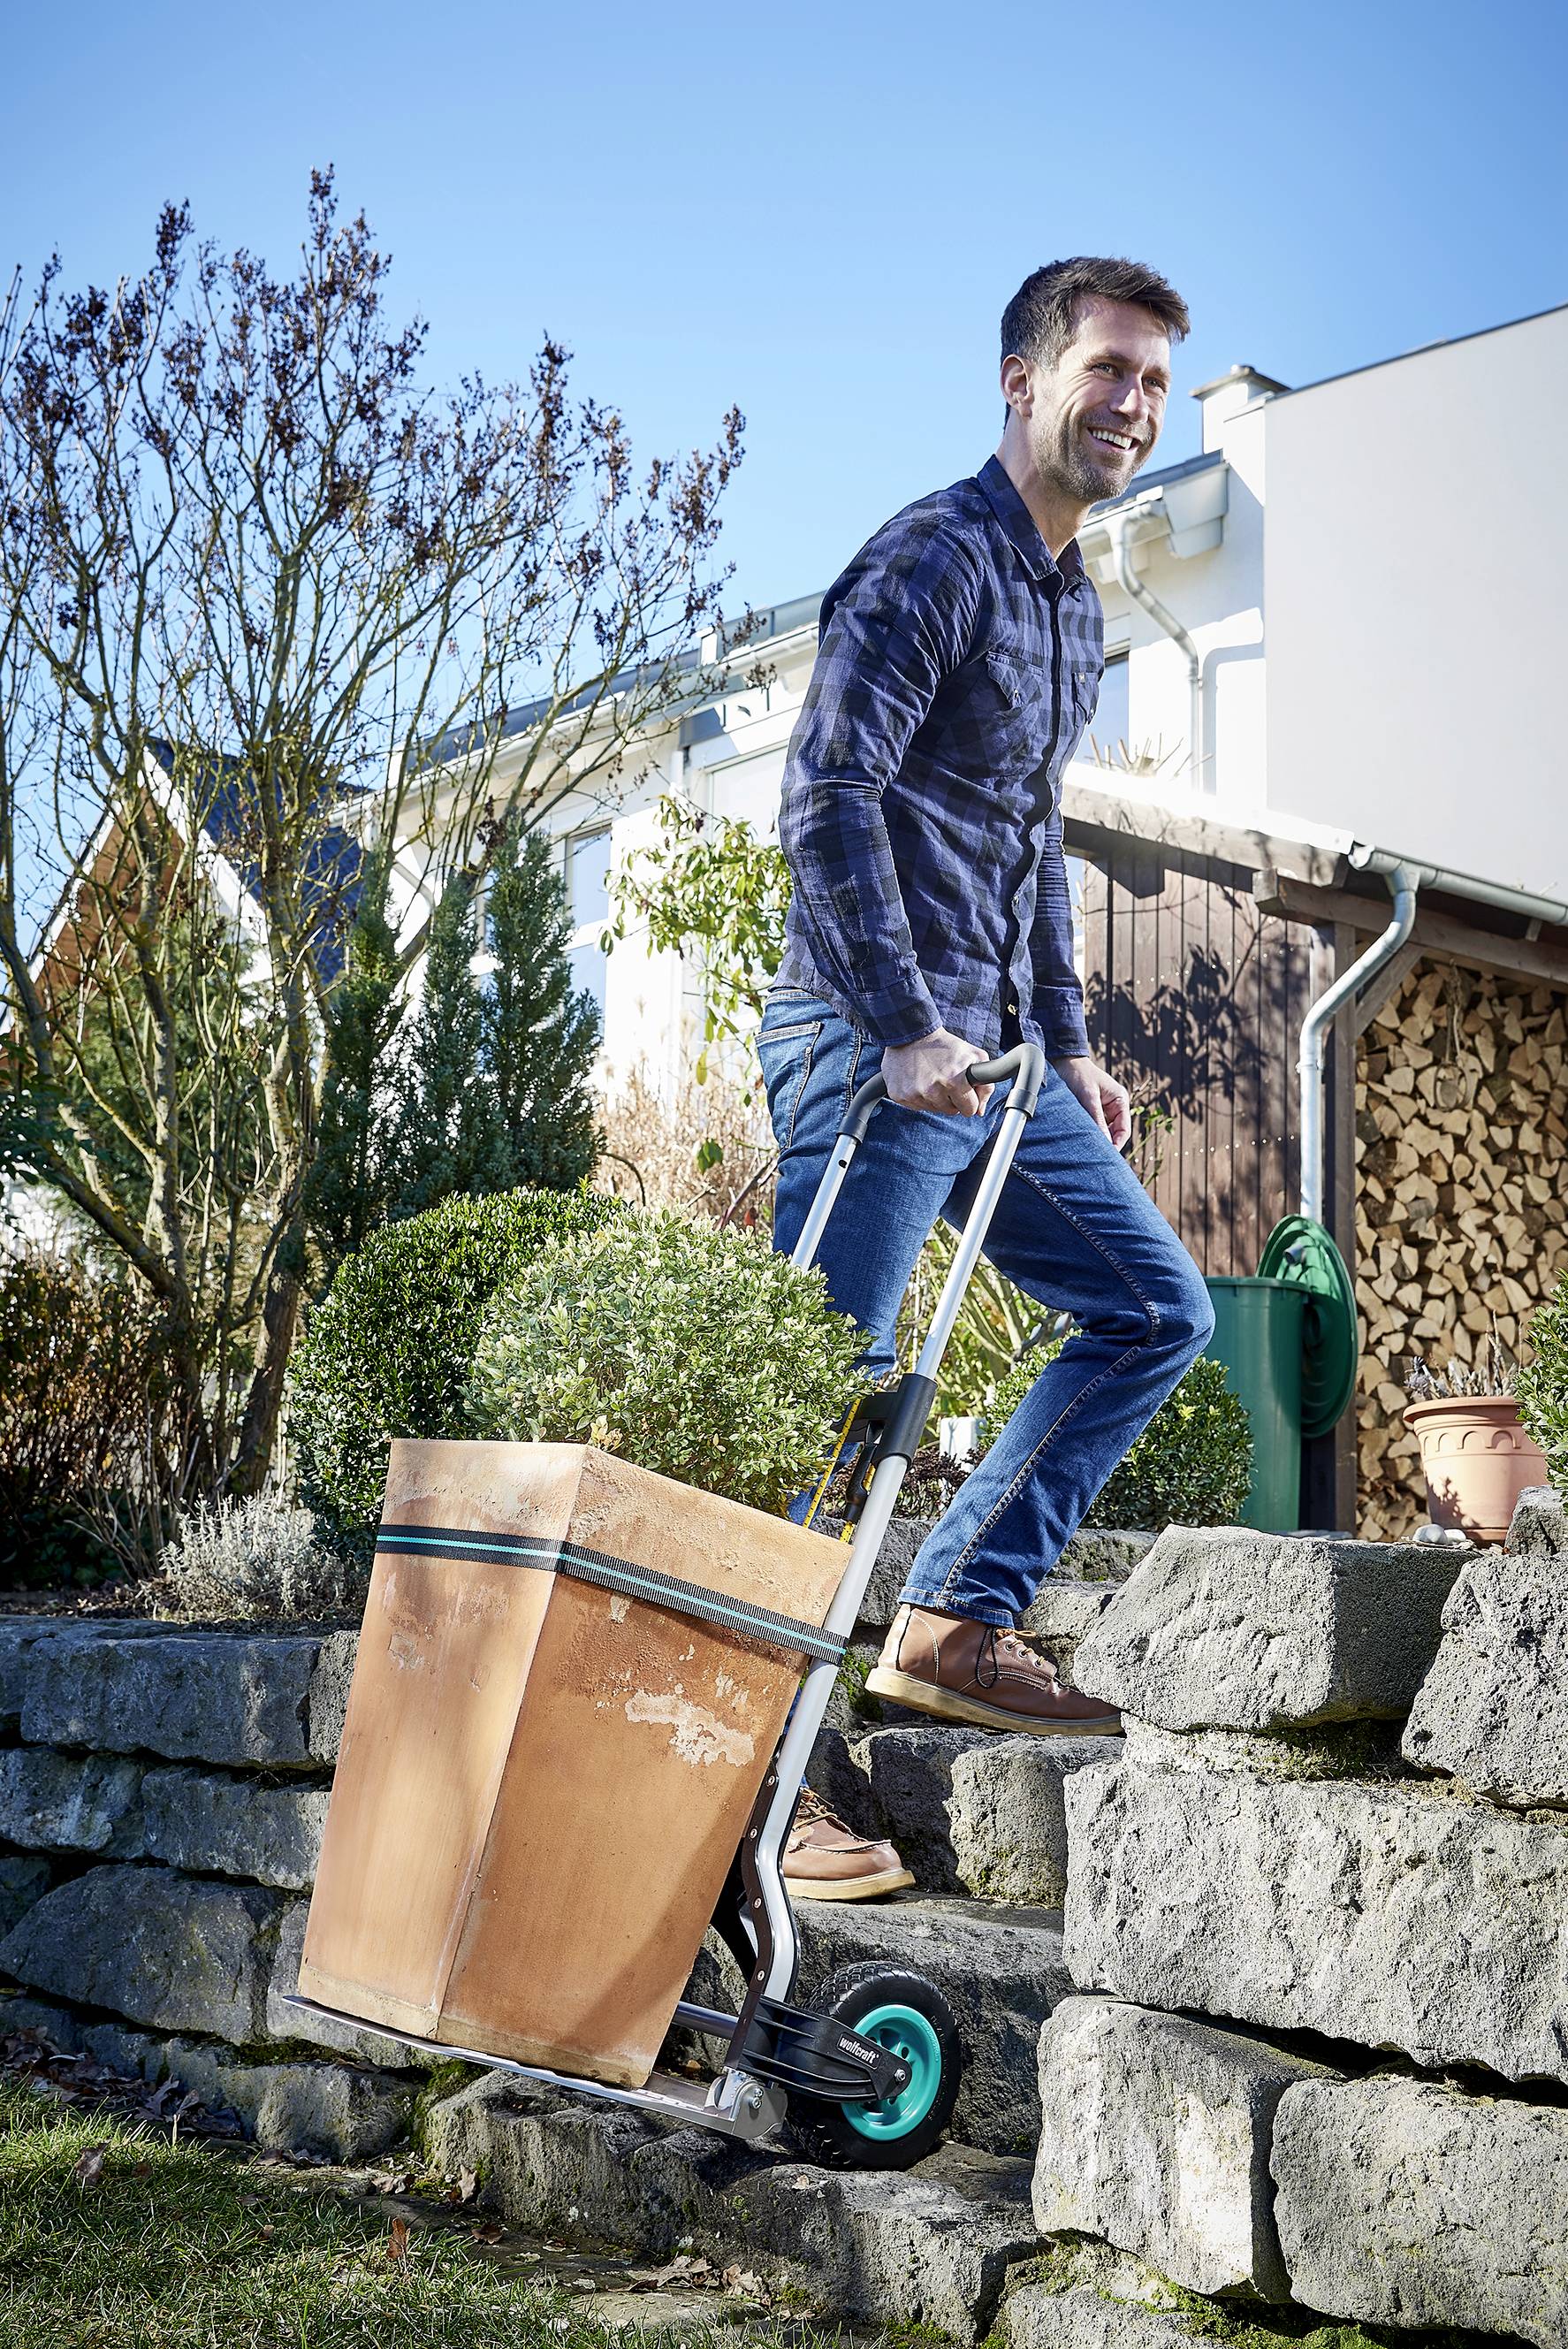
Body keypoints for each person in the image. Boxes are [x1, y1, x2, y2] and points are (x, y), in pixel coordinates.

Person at [773, 256, 1217, 1903]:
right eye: (1109, 369)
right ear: (1021, 380)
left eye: (1156, 382)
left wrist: (1074, 1045)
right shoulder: (931, 559)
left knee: (1154, 1306)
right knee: (824, 1411)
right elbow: (829, 794)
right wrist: (902, 1024)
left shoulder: (1069, 603)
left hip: (996, 1063)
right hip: (870, 1044)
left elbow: (1028, 850)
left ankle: (955, 1616)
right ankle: (756, 1787)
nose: (1134, 405)